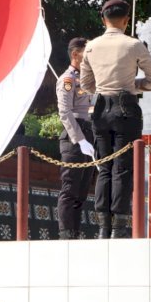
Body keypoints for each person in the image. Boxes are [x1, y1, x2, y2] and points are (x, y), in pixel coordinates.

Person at [80, 0, 151, 238]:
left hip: (100, 110)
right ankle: (119, 227)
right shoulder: (134, 45)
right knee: (123, 168)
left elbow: (87, 85)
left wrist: (105, 87)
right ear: (126, 21)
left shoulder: (91, 47)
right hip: (126, 108)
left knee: (104, 167)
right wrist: (132, 86)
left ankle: (102, 226)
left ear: (103, 19)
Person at [55, 37, 96, 240]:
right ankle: (66, 233)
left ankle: (75, 231)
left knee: (82, 191)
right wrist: (79, 139)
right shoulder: (68, 79)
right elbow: (65, 112)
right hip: (74, 137)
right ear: (75, 54)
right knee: (70, 188)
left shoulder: (87, 79)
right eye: (85, 53)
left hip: (88, 132)